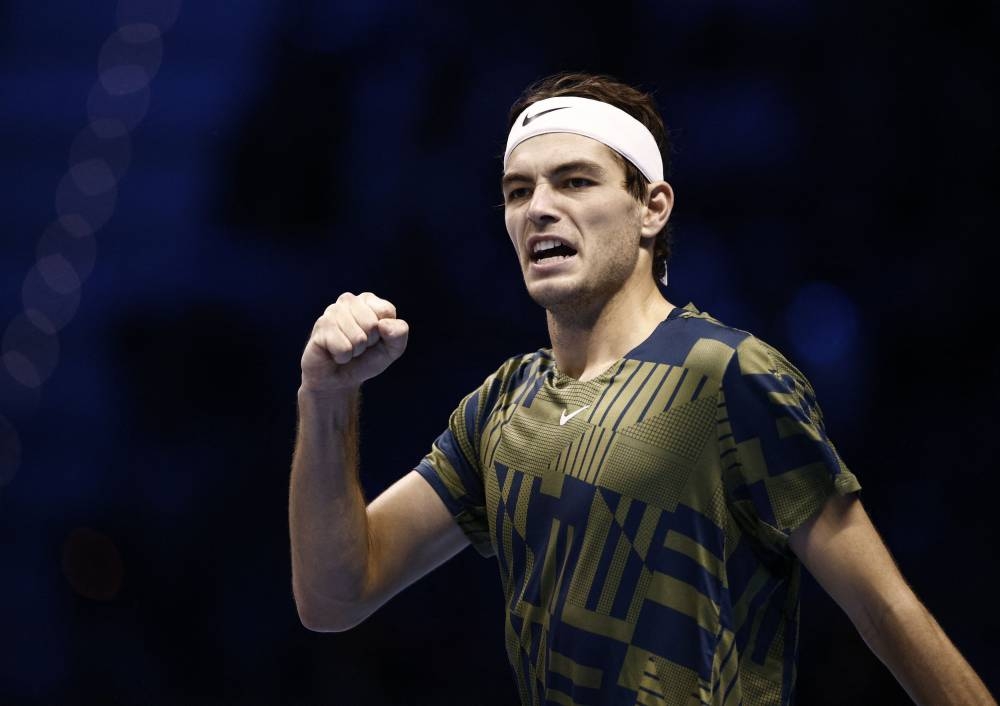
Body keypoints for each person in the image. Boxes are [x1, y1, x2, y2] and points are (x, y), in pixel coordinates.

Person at [288, 73, 995, 706]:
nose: (538, 207)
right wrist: (324, 397)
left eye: (574, 181)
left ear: (651, 208)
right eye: (517, 190)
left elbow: (885, 611)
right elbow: (333, 596)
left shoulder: (730, 376)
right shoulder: (500, 405)